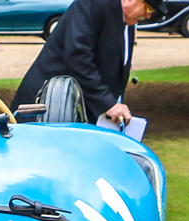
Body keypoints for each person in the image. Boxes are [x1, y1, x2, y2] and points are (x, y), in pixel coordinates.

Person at [14, 0, 149, 129]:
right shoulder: (92, 4)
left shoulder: (125, 21)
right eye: (149, 8)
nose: (148, 15)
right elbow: (78, 57)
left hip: (79, 111)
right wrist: (108, 104)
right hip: (45, 106)